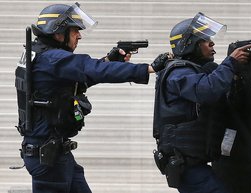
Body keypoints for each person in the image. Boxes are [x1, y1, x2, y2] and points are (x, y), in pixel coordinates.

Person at [14, 3, 169, 193]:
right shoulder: (53, 58)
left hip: (54, 153)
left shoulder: (41, 55)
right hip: (48, 158)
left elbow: (78, 81)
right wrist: (149, 68)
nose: (79, 36)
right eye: (74, 31)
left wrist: (108, 61)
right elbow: (91, 69)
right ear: (58, 33)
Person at [152, 12, 251, 193]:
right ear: (190, 44)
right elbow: (206, 91)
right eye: (207, 41)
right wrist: (230, 63)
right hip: (187, 166)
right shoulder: (178, 73)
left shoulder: (196, 71)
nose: (213, 45)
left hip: (196, 163)